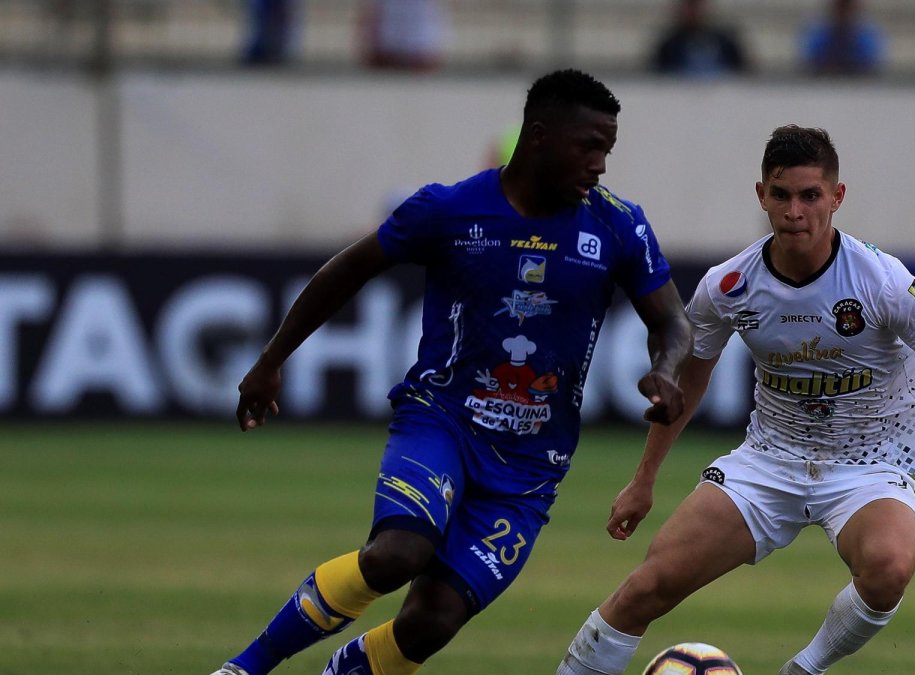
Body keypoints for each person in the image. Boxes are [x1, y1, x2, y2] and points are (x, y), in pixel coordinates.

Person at [210, 68, 692, 675]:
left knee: (431, 621)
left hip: (529, 466)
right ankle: (244, 668)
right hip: (442, 423)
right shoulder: (449, 209)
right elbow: (348, 271)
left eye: (608, 150)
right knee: (397, 555)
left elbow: (673, 323)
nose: (600, 164)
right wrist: (270, 360)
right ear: (538, 137)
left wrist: (668, 370)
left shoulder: (619, 224)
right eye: (588, 146)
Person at [558, 126, 915, 675]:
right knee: (646, 587)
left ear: (837, 197)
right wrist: (643, 480)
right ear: (761, 196)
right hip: (769, 461)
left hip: (870, 466)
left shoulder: (881, 280)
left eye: (810, 196)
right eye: (781, 195)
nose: (795, 211)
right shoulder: (728, 285)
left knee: (889, 567)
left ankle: (804, 669)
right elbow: (692, 379)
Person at [650, 0, 749, 78]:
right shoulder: (670, 45)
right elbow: (660, 73)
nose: (694, 13)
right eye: (690, 9)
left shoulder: (725, 41)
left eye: (697, 8)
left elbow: (741, 69)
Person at [799, 0, 885, 77]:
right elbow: (811, 64)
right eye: (840, 9)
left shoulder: (866, 38)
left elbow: (870, 66)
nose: (844, 14)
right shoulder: (819, 36)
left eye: (848, 10)